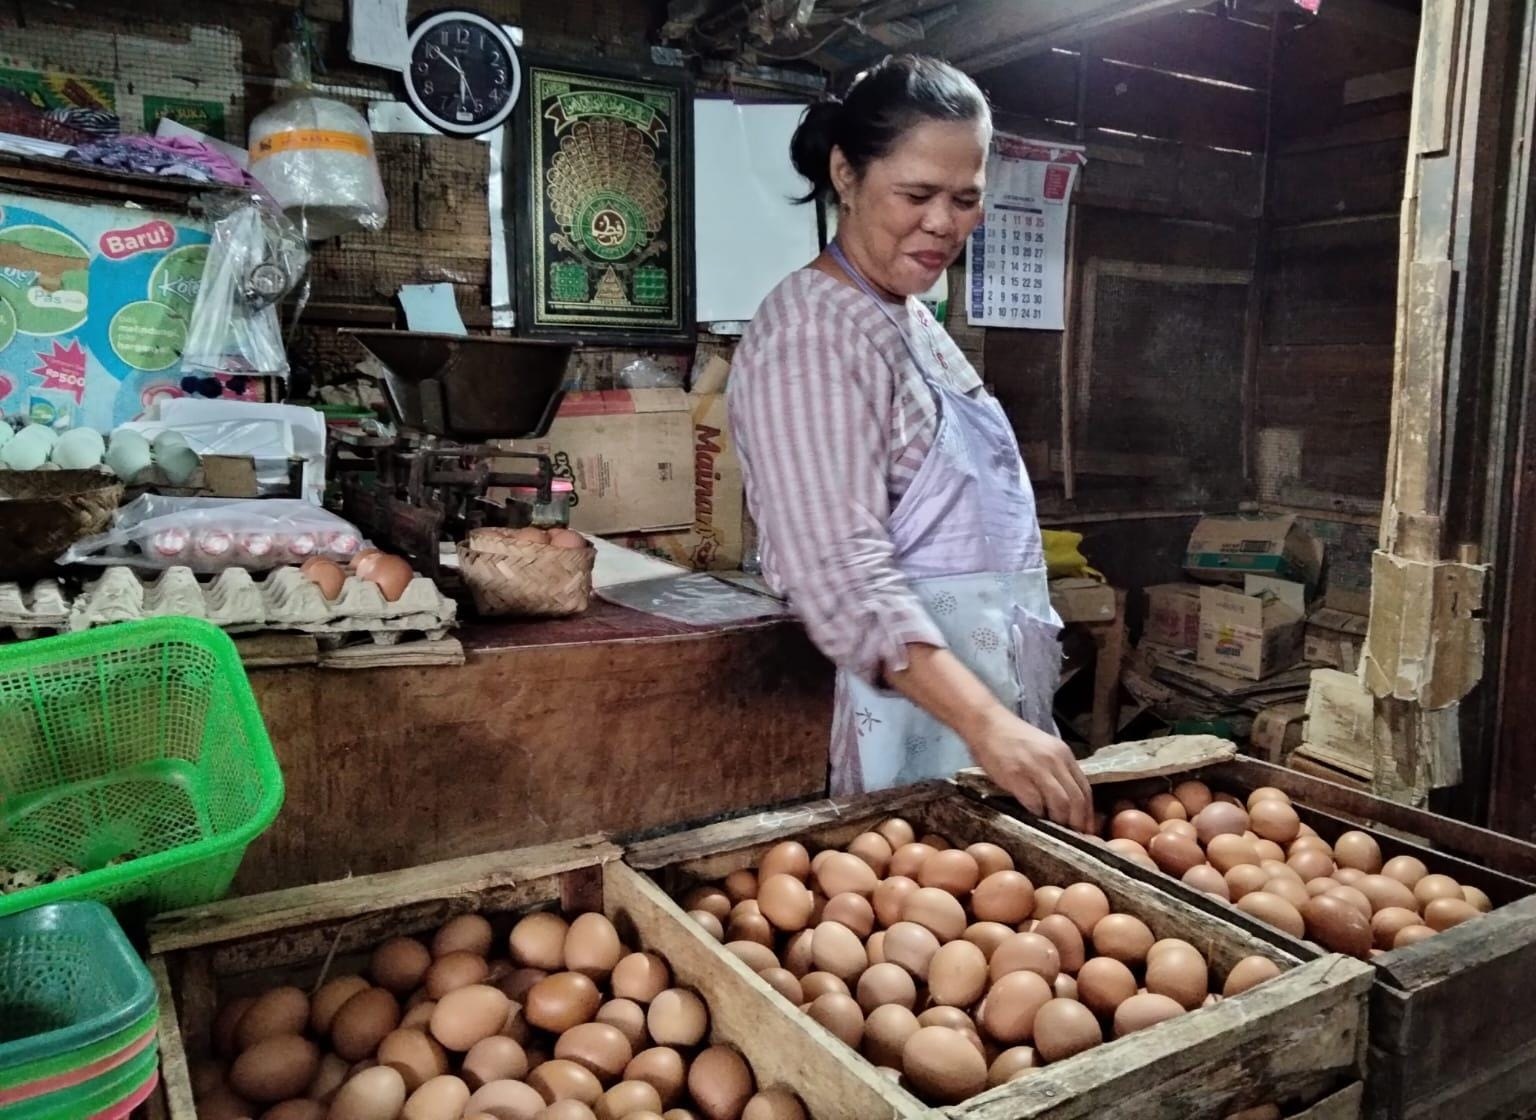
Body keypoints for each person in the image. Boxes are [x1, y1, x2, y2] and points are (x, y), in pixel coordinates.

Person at [728, 55, 1091, 831]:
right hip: (906, 728)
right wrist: (987, 723)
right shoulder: (814, 333)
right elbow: (838, 569)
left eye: (966, 199)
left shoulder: (910, 319)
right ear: (846, 174)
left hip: (977, 726)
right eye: (918, 194)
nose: (944, 223)